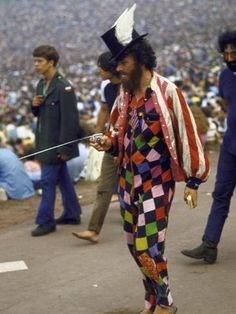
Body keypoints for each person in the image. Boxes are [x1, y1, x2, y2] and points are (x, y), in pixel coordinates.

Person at [90, 4, 210, 314]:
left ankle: (166, 304)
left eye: (124, 61)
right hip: (128, 181)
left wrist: (194, 180)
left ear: (141, 58)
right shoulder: (126, 95)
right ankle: (153, 300)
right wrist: (109, 142)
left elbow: (188, 135)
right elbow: (119, 133)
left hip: (157, 183)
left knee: (148, 246)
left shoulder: (168, 92)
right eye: (117, 63)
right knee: (135, 247)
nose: (119, 68)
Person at [181, 30, 236, 264]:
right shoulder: (224, 76)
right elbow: (226, 104)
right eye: (227, 53)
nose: (231, 56)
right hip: (231, 145)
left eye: (234, 51)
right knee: (220, 194)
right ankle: (209, 245)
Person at [31, 45, 82, 237]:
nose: (36, 65)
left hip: (56, 145)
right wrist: (34, 106)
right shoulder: (41, 84)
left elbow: (70, 120)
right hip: (45, 142)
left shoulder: (63, 87)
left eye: (39, 61)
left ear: (51, 62)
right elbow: (41, 115)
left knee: (47, 181)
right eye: (35, 61)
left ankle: (45, 221)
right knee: (63, 179)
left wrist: (65, 147)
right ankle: (72, 213)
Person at [72, 51, 120, 243]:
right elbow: (105, 110)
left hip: (131, 145)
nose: (98, 69)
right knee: (104, 186)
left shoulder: (131, 87)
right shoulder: (107, 88)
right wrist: (98, 134)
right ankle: (93, 230)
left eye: (101, 66)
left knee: (133, 186)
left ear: (110, 67)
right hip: (112, 142)